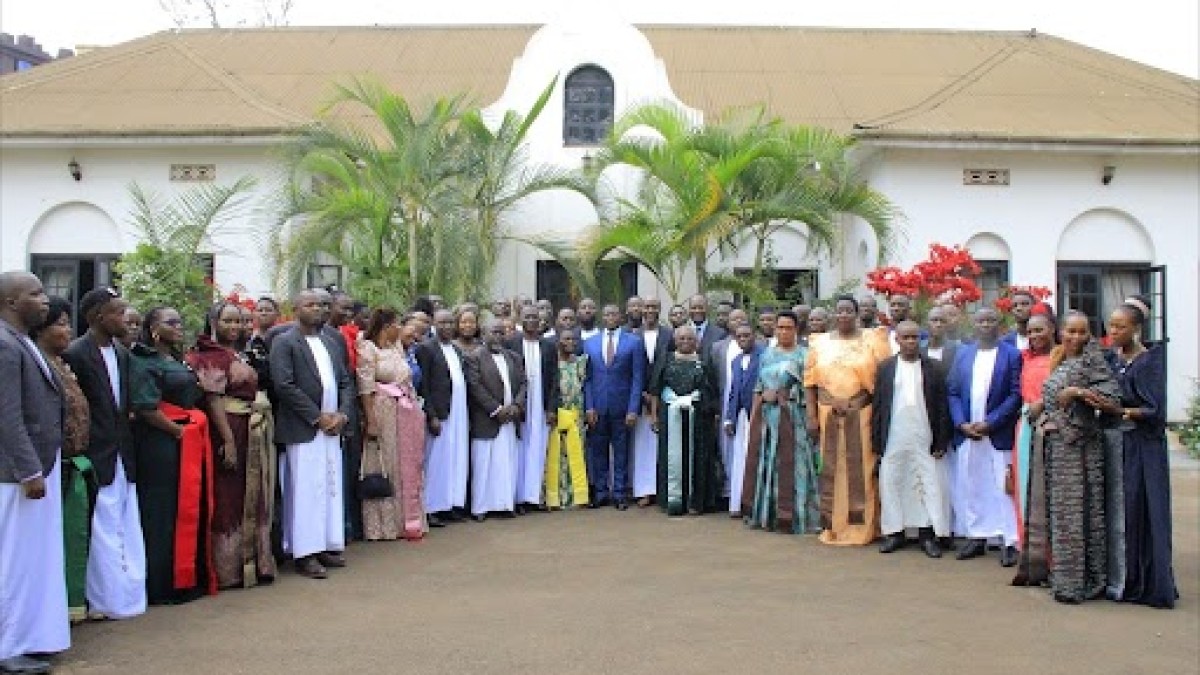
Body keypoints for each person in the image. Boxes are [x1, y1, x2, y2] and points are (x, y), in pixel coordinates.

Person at [0, 271, 70, 674]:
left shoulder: (23, 341)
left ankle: (31, 636)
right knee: (12, 560)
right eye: (36, 293)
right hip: (16, 474)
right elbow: (7, 416)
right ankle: (8, 645)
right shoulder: (5, 345)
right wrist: (29, 471)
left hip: (39, 464)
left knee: (33, 559)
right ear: (11, 302)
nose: (46, 300)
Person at [64, 287, 147, 619]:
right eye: (117, 312)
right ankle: (104, 600)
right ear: (97, 316)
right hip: (96, 454)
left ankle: (127, 595)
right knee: (101, 528)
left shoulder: (122, 354)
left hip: (123, 453)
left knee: (126, 525)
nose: (124, 319)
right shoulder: (76, 353)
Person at [1093, 297, 1178, 608]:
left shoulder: (1150, 362)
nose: (1113, 331)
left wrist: (1120, 410)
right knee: (1121, 512)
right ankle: (1120, 578)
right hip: (1119, 445)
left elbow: (1155, 411)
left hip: (1144, 448)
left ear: (1136, 329)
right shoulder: (1113, 359)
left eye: (1120, 326)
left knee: (1144, 510)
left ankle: (1147, 583)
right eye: (1111, 325)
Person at [128, 306, 215, 604]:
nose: (179, 326)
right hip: (162, 442)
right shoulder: (143, 360)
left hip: (186, 439)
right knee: (163, 510)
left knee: (186, 507)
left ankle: (186, 576)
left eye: (181, 320)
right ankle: (161, 583)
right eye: (171, 322)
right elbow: (145, 407)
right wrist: (179, 433)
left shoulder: (175, 359)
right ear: (154, 329)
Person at [189, 301, 276, 588]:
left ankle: (254, 562)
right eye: (228, 321)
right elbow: (213, 399)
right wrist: (227, 439)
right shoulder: (207, 355)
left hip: (250, 428)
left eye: (239, 321)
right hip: (227, 429)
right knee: (228, 497)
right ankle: (227, 570)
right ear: (213, 321)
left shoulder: (239, 352)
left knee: (252, 494)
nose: (234, 326)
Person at [269, 289, 354, 580]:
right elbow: (284, 385)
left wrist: (342, 413)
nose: (317, 309)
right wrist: (318, 417)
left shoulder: (332, 341)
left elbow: (345, 380)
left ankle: (325, 544)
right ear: (296, 309)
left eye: (321, 305)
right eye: (310, 304)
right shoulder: (284, 342)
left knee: (329, 488)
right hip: (304, 427)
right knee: (305, 491)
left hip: (332, 427)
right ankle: (304, 552)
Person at [1038, 311, 1120, 604]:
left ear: (1089, 334)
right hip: (1059, 449)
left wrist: (1076, 392)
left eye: (1081, 332)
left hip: (1081, 449)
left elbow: (1112, 398)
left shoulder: (1093, 361)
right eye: (1070, 331)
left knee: (1081, 515)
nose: (1075, 337)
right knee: (1062, 516)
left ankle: (1083, 583)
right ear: (1060, 332)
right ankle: (1064, 578)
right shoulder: (1060, 358)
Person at [804, 296, 889, 546]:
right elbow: (809, 383)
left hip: (861, 412)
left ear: (856, 313)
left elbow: (883, 381)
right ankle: (833, 527)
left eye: (848, 311)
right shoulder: (818, 343)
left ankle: (864, 527)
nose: (843, 315)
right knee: (831, 469)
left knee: (861, 468)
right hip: (827, 412)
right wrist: (811, 416)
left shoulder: (874, 340)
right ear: (834, 315)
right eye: (839, 311)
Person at [33, 297, 94, 622]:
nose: (68, 331)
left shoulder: (60, 362)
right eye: (60, 323)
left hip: (71, 464)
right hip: (46, 466)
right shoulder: (36, 361)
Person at [947, 307, 1023, 566]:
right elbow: (954, 392)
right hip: (969, 432)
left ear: (999, 325)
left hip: (997, 431)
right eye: (981, 321)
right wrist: (961, 423)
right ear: (974, 325)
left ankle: (1009, 540)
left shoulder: (1012, 355)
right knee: (972, 483)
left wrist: (991, 423)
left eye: (991, 320)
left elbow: (1015, 394)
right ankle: (977, 536)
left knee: (1002, 485)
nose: (986, 325)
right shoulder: (964, 354)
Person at [872, 321, 953, 558]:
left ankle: (926, 534)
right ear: (896, 339)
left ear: (921, 339)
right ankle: (894, 533)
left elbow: (941, 408)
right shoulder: (886, 367)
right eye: (905, 337)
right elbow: (878, 407)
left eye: (914, 337)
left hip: (924, 435)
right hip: (894, 435)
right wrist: (877, 442)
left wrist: (941, 440)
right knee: (893, 481)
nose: (910, 342)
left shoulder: (934, 368)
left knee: (926, 482)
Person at [742, 311, 817, 533]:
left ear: (796, 330)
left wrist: (793, 399)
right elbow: (758, 387)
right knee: (771, 463)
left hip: (795, 418)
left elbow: (812, 388)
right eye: (780, 328)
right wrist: (761, 404)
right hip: (770, 419)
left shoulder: (806, 355)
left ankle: (798, 517)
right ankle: (771, 515)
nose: (784, 332)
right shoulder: (766, 355)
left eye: (788, 328)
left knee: (797, 464)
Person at [357, 308, 427, 541]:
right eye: (397, 324)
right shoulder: (368, 348)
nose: (401, 328)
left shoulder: (396, 347)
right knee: (386, 463)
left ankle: (406, 520)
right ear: (386, 327)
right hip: (382, 409)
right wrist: (371, 420)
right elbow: (365, 387)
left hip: (405, 410)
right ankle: (383, 525)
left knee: (407, 463)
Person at [650, 325, 719, 516]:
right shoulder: (666, 360)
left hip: (698, 420)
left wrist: (696, 400)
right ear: (675, 340)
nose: (685, 342)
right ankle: (672, 500)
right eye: (681, 339)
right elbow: (655, 389)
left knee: (697, 457)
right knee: (671, 457)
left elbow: (712, 391)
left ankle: (695, 501)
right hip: (670, 417)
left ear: (696, 341)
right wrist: (654, 416)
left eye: (690, 339)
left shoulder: (703, 363)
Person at [583, 304, 646, 510]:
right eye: (607, 314)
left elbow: (637, 378)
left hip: (622, 407)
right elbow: (587, 379)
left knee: (621, 452)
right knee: (598, 452)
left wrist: (633, 408)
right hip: (598, 407)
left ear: (621, 317)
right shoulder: (590, 343)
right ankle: (601, 492)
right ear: (602, 317)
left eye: (614, 314)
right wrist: (589, 406)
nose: (610, 317)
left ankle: (619, 493)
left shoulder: (634, 342)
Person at [464, 319, 526, 522]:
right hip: (487, 420)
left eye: (501, 333)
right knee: (484, 465)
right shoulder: (474, 357)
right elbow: (474, 386)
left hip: (510, 419)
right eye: (494, 332)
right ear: (483, 334)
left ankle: (505, 504)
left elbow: (524, 383)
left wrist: (516, 405)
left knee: (507, 463)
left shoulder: (514, 358)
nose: (498, 336)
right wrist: (496, 409)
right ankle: (481, 508)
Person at [1011, 311, 1057, 585]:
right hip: (1025, 427)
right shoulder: (1024, 358)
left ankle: (1053, 558)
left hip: (1051, 427)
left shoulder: (1061, 357)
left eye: (1040, 330)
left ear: (1052, 329)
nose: (1034, 336)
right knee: (1025, 490)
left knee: (1049, 491)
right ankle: (1031, 555)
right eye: (1030, 331)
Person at [418, 309, 469, 525]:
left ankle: (451, 505)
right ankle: (432, 507)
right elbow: (424, 385)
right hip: (440, 413)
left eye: (450, 323)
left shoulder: (456, 350)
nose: (447, 327)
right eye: (442, 323)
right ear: (433, 325)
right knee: (437, 461)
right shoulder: (426, 349)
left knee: (455, 459)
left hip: (458, 412)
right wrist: (432, 415)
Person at [506, 306, 558, 513]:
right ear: (520, 319)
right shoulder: (511, 343)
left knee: (537, 448)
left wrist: (551, 408)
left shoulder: (548, 346)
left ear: (541, 321)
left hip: (541, 405)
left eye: (535, 318)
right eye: (527, 317)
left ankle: (533, 496)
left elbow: (554, 379)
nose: (531, 321)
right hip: (518, 405)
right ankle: (518, 498)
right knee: (519, 450)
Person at [632, 297, 672, 507]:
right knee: (641, 446)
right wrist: (642, 393)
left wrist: (656, 393)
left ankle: (662, 490)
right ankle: (643, 490)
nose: (649, 311)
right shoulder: (632, 335)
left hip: (664, 396)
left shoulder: (669, 335)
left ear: (659, 310)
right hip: (638, 398)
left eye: (654, 307)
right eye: (646, 307)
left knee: (661, 445)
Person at [707, 308, 749, 505]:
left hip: (748, 403)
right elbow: (713, 379)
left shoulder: (758, 345)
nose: (737, 321)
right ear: (728, 323)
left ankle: (745, 490)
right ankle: (728, 490)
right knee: (725, 446)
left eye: (741, 318)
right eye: (734, 319)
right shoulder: (718, 347)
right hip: (725, 402)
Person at [545, 330, 589, 509]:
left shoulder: (581, 363)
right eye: (566, 339)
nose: (571, 342)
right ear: (558, 342)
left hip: (576, 415)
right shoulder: (552, 364)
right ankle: (555, 498)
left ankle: (577, 497)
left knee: (577, 454)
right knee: (556, 457)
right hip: (557, 415)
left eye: (573, 339)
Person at [723, 324, 762, 517]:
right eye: (739, 336)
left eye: (747, 335)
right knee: (740, 460)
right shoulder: (736, 360)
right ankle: (738, 504)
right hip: (740, 417)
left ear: (754, 336)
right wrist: (729, 419)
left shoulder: (764, 355)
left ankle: (756, 505)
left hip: (759, 414)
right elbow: (733, 392)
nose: (743, 339)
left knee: (756, 459)